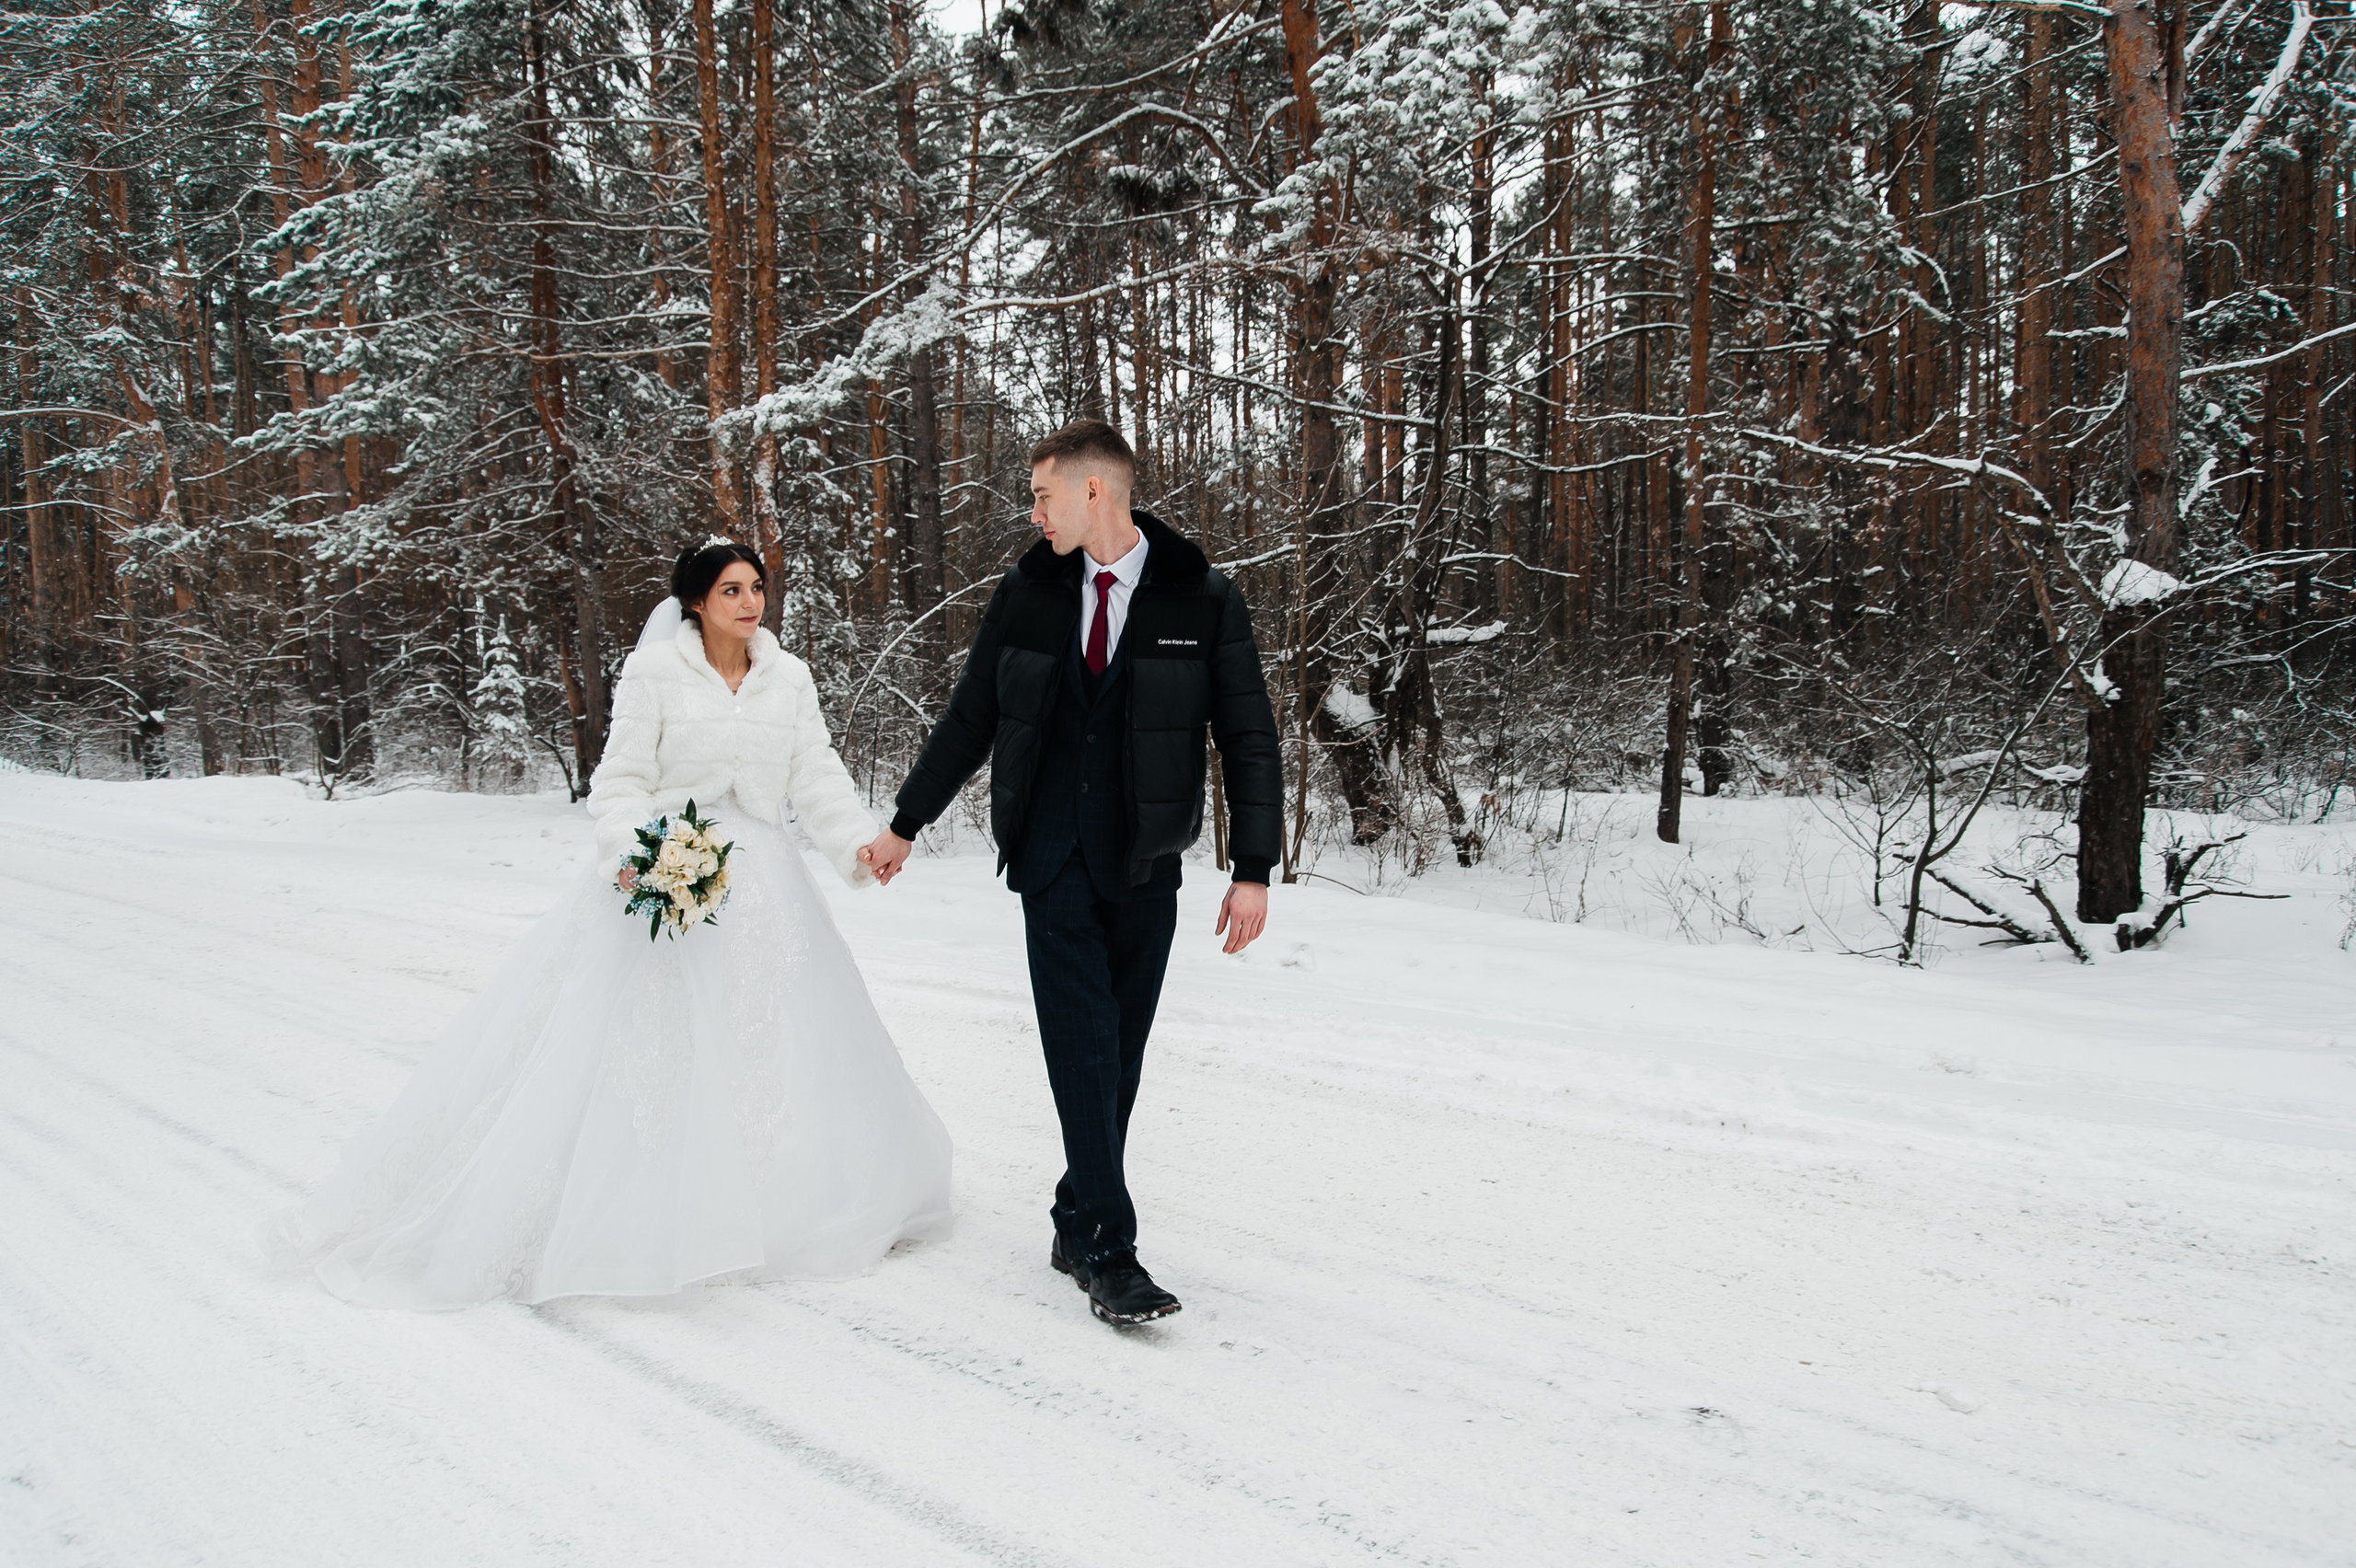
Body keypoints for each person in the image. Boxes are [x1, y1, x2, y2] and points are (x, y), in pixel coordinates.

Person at [266, 540, 952, 1309]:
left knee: (773, 1040)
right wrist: (635, 858)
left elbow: (816, 773)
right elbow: (621, 780)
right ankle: (649, 1214)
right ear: (696, 602)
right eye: (731, 590)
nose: (751, 603)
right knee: (648, 1049)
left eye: (756, 588)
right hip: (671, 869)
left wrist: (859, 848)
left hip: (764, 887)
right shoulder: (656, 672)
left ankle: (776, 1207)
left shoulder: (788, 679)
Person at [860, 420, 1282, 1327]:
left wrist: (1252, 867)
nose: (1032, 510)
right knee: (1082, 1047)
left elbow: (1247, 736)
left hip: (1144, 863)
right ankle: (1106, 1250)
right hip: (1049, 852)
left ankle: (1068, 1213)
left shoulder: (1200, 598)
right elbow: (971, 715)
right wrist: (906, 821)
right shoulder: (1028, 591)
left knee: (1115, 1056)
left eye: (1042, 493)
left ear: (1094, 491)